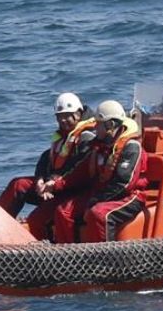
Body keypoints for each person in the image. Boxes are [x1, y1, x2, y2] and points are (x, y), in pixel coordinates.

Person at [41, 100, 149, 243]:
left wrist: (95, 201)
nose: (95, 127)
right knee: (64, 211)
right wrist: (56, 184)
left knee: (99, 214)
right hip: (101, 194)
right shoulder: (99, 147)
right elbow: (79, 172)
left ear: (110, 125)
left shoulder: (131, 148)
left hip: (129, 196)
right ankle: (69, 256)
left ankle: (105, 260)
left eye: (98, 124)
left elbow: (124, 184)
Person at [0, 92, 95, 240]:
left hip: (72, 190)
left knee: (37, 219)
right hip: (52, 187)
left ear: (78, 113)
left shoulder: (87, 138)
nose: (63, 120)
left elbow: (76, 169)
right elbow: (46, 159)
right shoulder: (63, 136)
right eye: (60, 116)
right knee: (18, 185)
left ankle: (42, 253)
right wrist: (40, 180)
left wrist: (53, 184)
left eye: (67, 115)